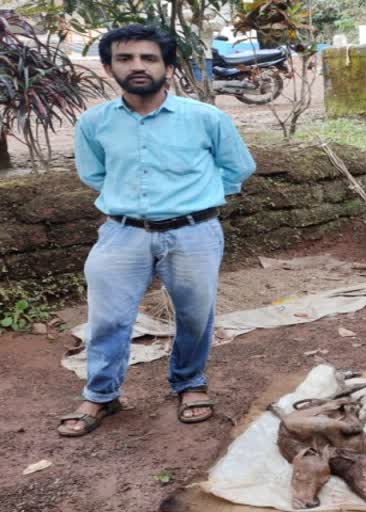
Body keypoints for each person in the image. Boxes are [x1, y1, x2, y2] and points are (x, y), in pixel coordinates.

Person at [58, 24, 256, 437]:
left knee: (195, 315)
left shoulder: (206, 118)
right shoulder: (94, 123)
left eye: (149, 58)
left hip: (194, 233)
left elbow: (238, 169)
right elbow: (94, 174)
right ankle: (101, 394)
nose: (138, 66)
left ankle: (189, 383)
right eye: (125, 58)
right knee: (108, 319)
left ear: (168, 65)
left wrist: (195, 200)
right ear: (109, 66)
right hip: (122, 233)